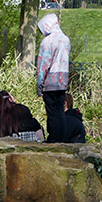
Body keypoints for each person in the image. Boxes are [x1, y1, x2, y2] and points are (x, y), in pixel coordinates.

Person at [37, 13, 70, 143]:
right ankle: (62, 139)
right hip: (62, 81)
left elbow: (43, 65)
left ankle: (53, 140)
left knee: (52, 113)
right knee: (60, 111)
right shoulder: (65, 39)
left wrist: (39, 86)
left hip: (50, 82)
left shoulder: (47, 41)